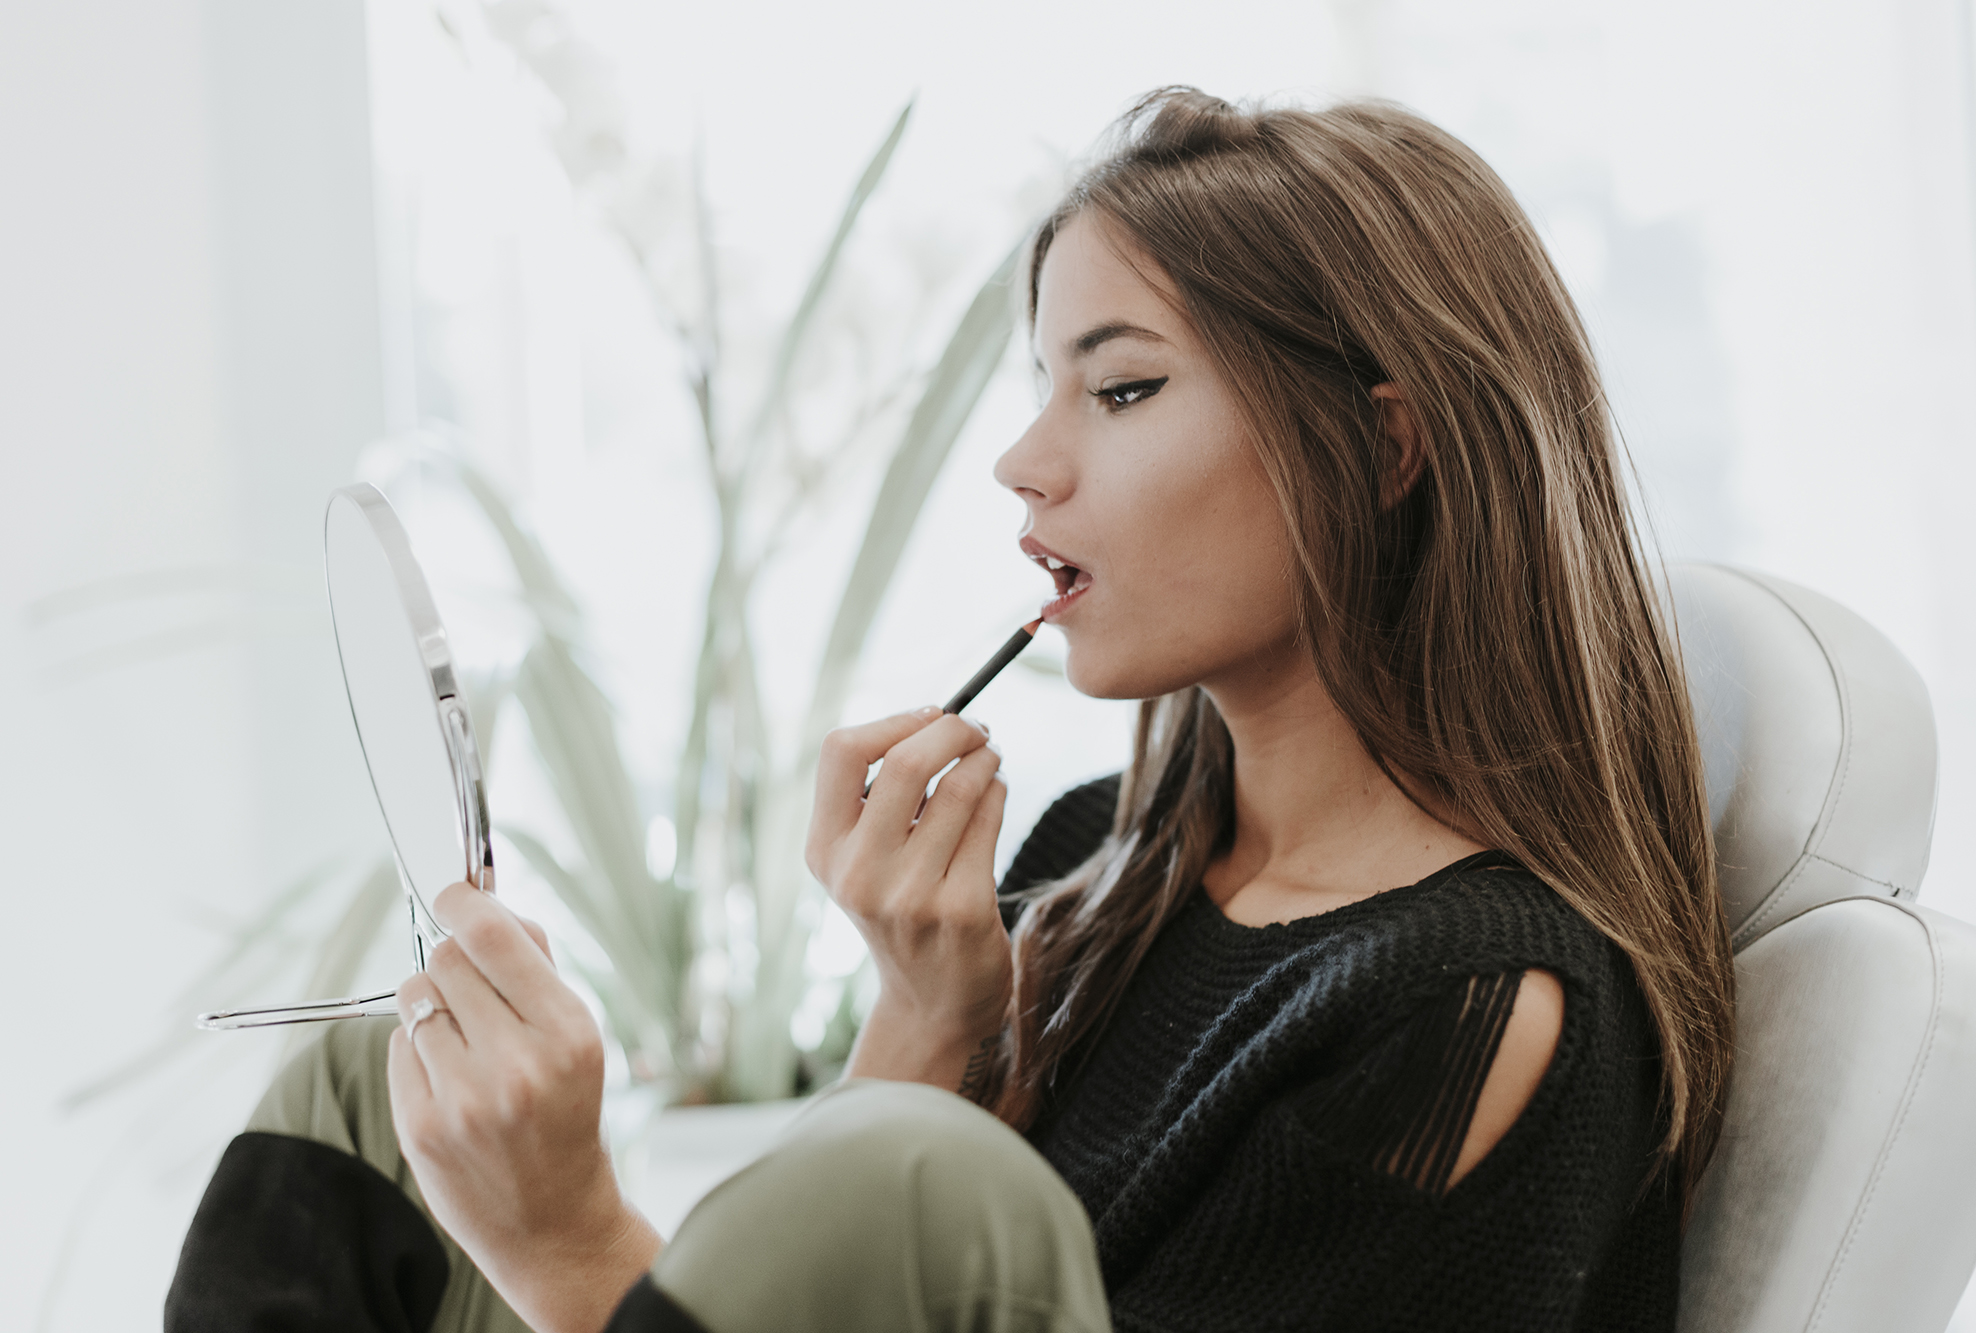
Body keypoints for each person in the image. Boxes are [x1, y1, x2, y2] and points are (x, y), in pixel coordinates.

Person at [167, 88, 1733, 1333]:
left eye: (1118, 389)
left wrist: (575, 1245)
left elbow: (876, 1234)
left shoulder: (1463, 1008)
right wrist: (926, 1016)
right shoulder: (1095, 860)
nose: (1023, 461)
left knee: (908, 1182)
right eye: (1041, 382)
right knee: (378, 1083)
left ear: (1382, 447)